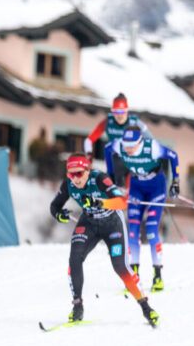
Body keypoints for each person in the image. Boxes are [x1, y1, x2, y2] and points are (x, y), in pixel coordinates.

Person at [49, 154, 159, 327]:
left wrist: (99, 202)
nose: (75, 179)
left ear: (87, 171)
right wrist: (59, 215)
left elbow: (121, 202)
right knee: (74, 259)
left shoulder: (99, 178)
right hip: (89, 223)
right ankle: (77, 305)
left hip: (112, 224)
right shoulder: (69, 185)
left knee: (120, 266)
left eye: (78, 174)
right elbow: (54, 206)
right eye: (71, 174)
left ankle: (145, 307)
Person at [103, 126, 180, 291]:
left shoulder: (151, 147)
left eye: (132, 145)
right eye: (126, 145)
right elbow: (107, 148)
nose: (128, 149)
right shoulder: (119, 145)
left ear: (139, 142)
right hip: (136, 187)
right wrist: (111, 175)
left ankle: (157, 276)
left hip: (156, 188)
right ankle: (134, 276)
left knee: (151, 231)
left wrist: (176, 181)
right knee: (132, 233)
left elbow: (173, 155)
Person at [84, 93, 151, 163]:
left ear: (127, 111)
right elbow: (89, 140)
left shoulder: (136, 123)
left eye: (122, 111)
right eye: (116, 111)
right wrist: (89, 154)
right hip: (115, 160)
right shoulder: (107, 122)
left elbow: (151, 141)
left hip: (133, 160)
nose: (119, 115)